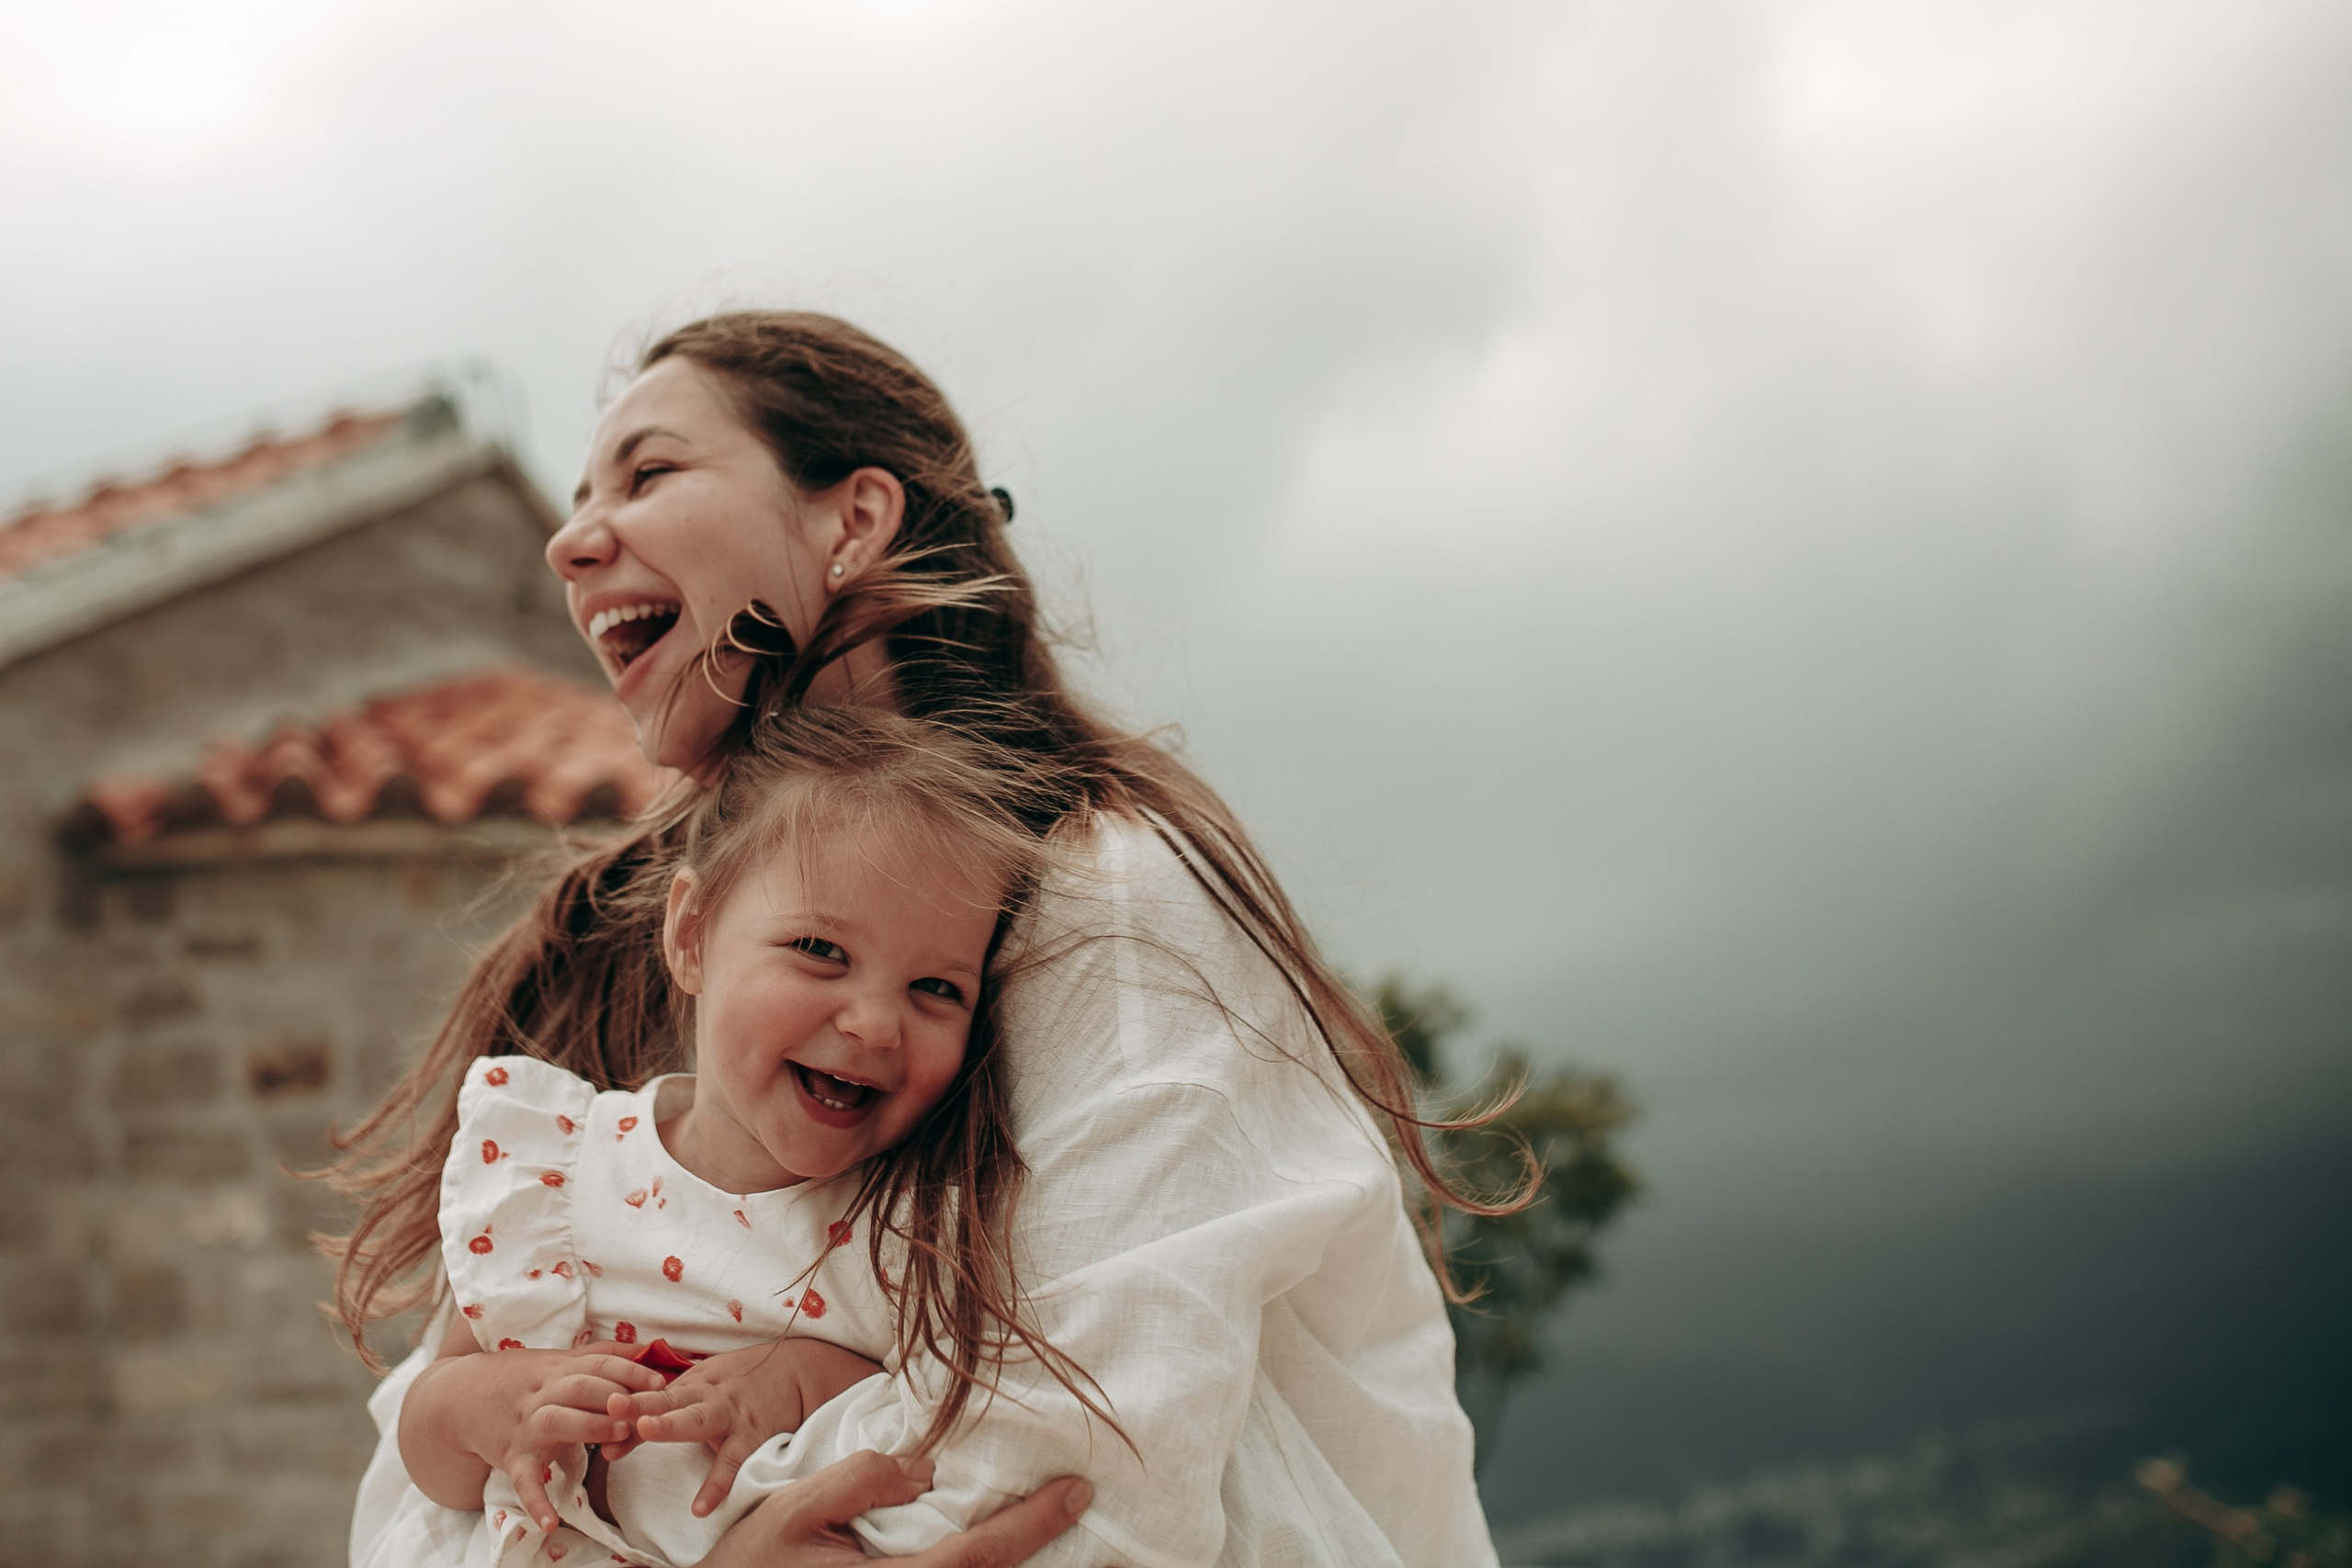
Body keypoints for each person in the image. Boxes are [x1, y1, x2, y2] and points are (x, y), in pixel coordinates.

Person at [334, 312, 1510, 1568]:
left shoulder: (1101, 898)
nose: (571, 543)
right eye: (579, 497)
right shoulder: (620, 968)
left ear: (855, 519)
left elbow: (1088, 1481)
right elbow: (417, 1508)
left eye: (651, 472)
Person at [398, 707, 1105, 1566]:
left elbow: (923, 1420)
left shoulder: (907, 1234)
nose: (877, 1021)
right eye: (820, 949)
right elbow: (427, 1450)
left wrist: (794, 1379)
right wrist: (492, 1405)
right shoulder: (563, 1171)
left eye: (936, 987)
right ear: (692, 934)